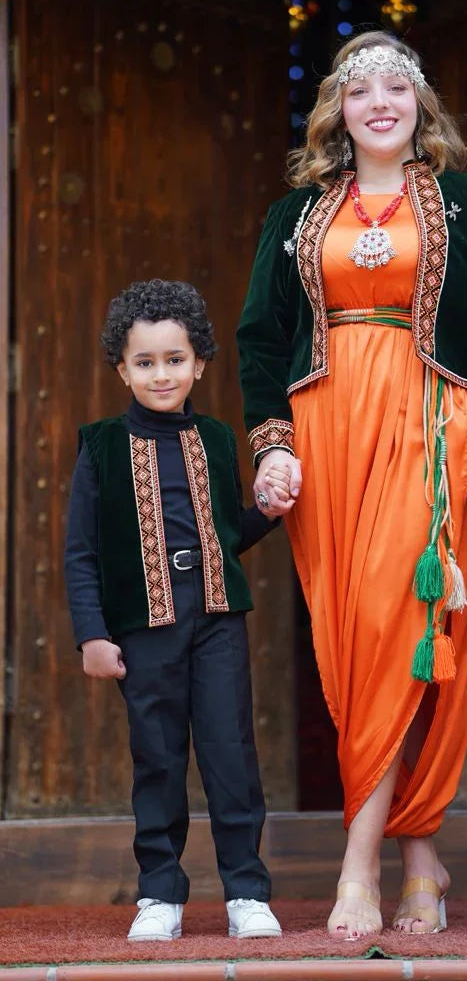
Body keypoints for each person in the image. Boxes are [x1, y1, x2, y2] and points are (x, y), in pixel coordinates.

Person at [237, 31, 467, 938]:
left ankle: (359, 864)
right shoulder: (295, 213)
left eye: (397, 87)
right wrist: (272, 445)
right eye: (360, 87)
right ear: (338, 108)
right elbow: (259, 337)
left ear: (421, 106)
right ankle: (421, 856)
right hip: (327, 430)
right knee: (353, 643)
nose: (380, 101)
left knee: (404, 619)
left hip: (435, 424)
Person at [64, 279, 290, 943]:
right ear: (121, 369)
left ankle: (246, 890)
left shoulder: (218, 440)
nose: (161, 374)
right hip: (144, 631)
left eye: (174, 360)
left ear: (199, 364)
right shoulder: (101, 446)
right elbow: (80, 552)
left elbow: (228, 534)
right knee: (158, 758)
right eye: (145, 362)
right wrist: (91, 635)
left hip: (216, 619)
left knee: (230, 753)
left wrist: (267, 515)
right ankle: (158, 892)